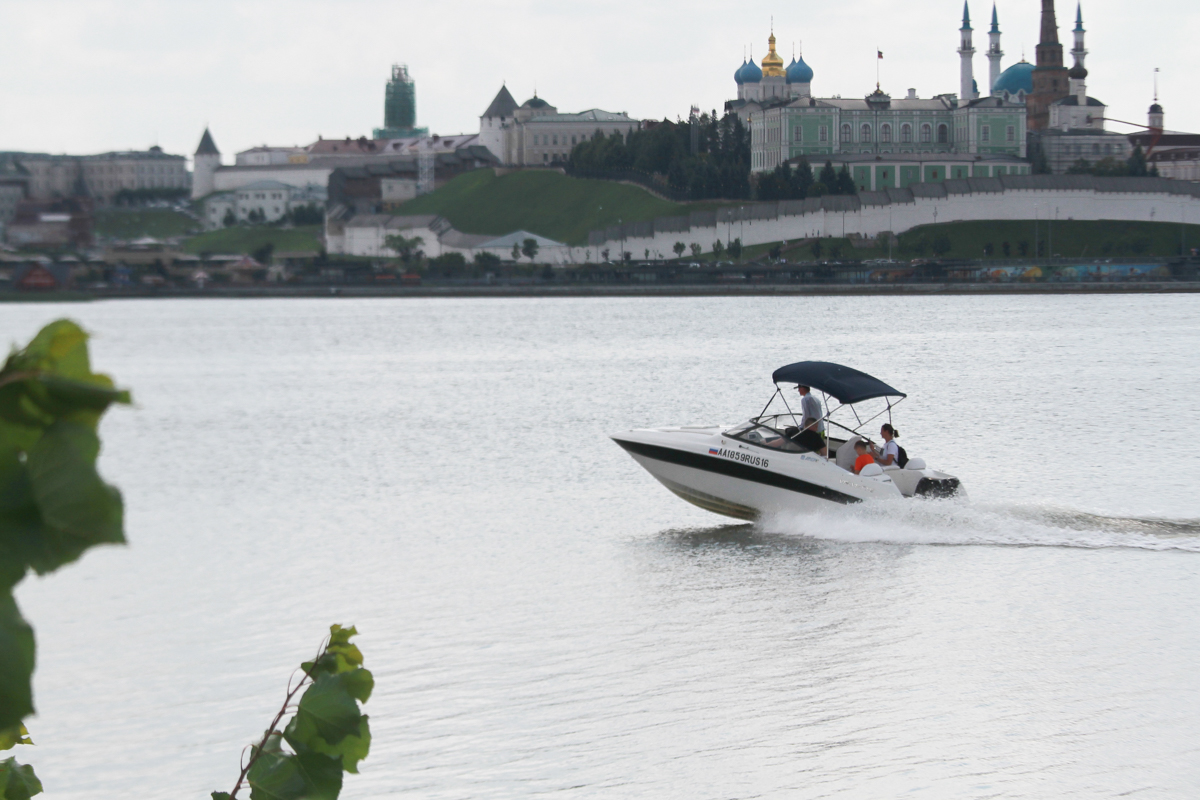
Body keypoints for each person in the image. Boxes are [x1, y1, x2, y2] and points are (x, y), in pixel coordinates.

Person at [792, 384, 827, 456]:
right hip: (821, 429)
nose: (798, 390)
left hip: (813, 432)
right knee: (820, 453)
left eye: (799, 388)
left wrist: (801, 428)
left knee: (812, 453)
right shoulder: (816, 399)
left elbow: (806, 416)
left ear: (803, 388)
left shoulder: (805, 399)